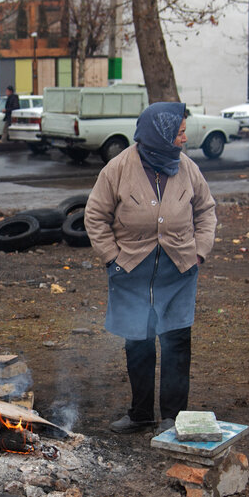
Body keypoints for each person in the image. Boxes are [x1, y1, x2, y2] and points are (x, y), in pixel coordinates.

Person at [83, 102, 216, 434]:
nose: (184, 140)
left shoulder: (187, 168)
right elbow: (95, 216)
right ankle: (141, 413)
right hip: (131, 270)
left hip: (179, 269)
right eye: (180, 133)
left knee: (176, 341)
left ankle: (174, 416)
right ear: (161, 134)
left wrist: (199, 251)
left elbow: (206, 210)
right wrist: (112, 257)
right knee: (138, 342)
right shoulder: (117, 168)